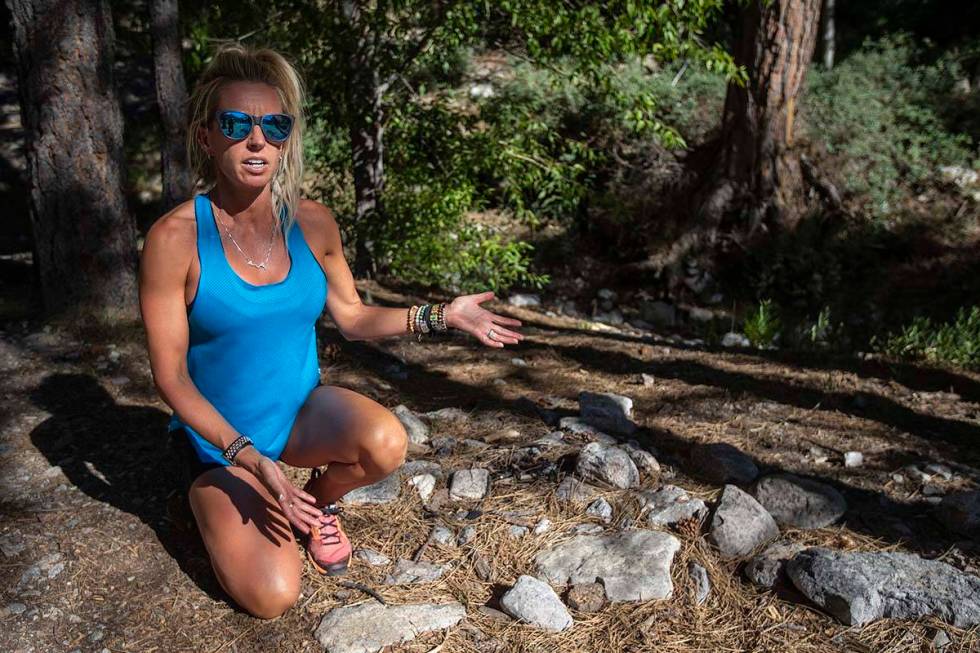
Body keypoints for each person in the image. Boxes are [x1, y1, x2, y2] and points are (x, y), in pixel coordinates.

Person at [138, 44, 524, 619]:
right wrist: (248, 459)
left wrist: (444, 315)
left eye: (273, 125)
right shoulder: (174, 239)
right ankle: (204, 500)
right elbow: (170, 377)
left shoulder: (313, 222)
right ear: (205, 138)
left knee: (387, 441)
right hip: (218, 443)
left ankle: (316, 505)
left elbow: (354, 317)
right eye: (235, 124)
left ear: (286, 138)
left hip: (297, 415)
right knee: (272, 598)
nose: (256, 140)